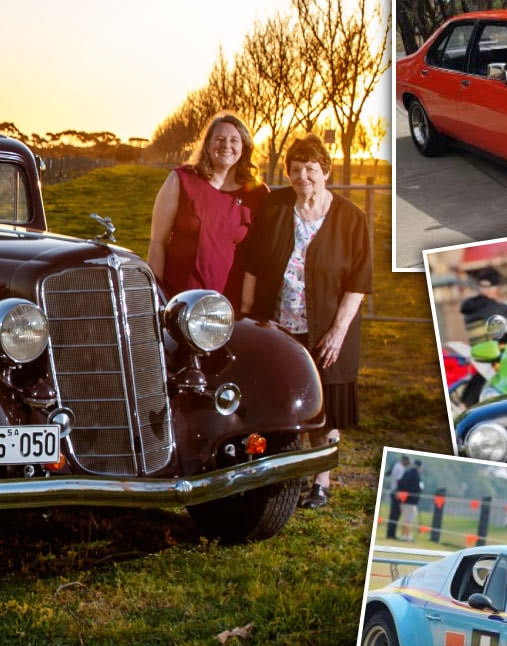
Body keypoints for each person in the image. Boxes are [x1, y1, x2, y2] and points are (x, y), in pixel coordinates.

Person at [238, 134, 373, 509]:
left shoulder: (351, 218)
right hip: (277, 324)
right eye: (295, 170)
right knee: (276, 399)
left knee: (324, 405)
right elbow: (254, 261)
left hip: (327, 330)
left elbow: (359, 282)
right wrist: (248, 314)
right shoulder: (276, 207)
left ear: (325, 171)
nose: (303, 177)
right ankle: (284, 477)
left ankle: (321, 482)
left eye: (311, 169)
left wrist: (338, 332)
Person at [148, 112, 269, 301]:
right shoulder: (181, 180)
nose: (226, 145)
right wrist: (157, 296)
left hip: (230, 306)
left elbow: (260, 256)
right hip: (181, 300)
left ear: (244, 146)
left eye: (234, 140)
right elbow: (157, 243)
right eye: (219, 139)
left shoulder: (257, 193)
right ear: (207, 145)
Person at [395, 460, 423, 542]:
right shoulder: (415, 475)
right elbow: (417, 488)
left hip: (403, 499)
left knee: (406, 519)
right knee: (409, 519)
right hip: (411, 501)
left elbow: (400, 484)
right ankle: (407, 536)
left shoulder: (407, 473)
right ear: (419, 467)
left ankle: (404, 535)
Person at [385, 455, 411, 540]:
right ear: (405, 461)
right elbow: (399, 481)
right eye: (408, 462)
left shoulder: (397, 466)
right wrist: (399, 492)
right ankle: (391, 534)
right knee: (395, 514)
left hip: (394, 491)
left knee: (394, 514)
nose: (408, 464)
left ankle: (391, 533)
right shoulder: (400, 468)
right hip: (396, 493)